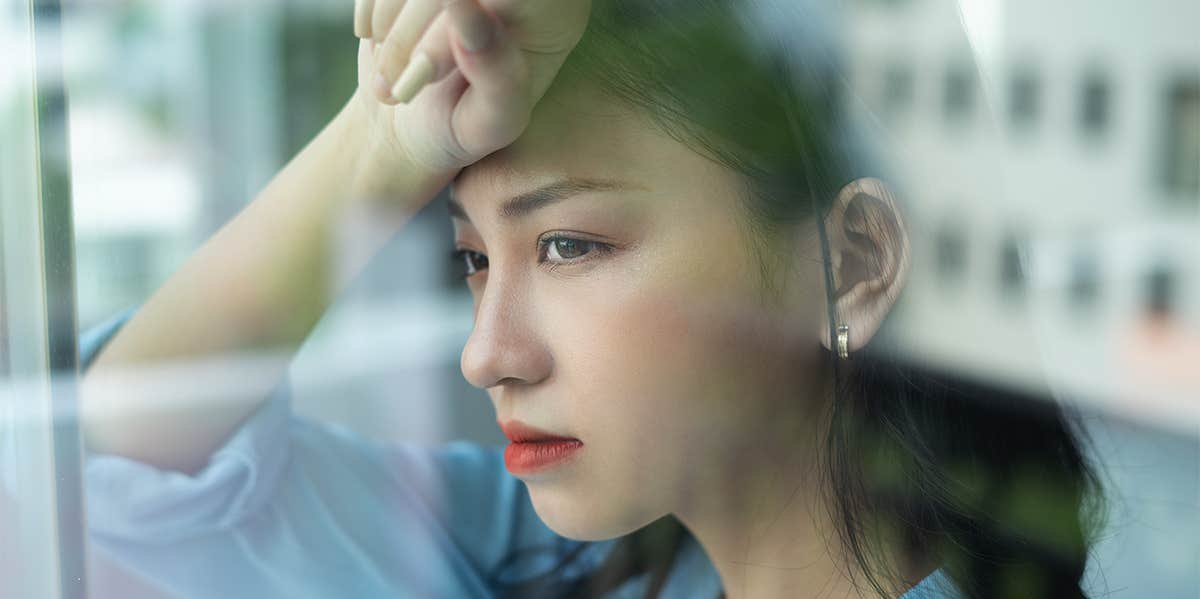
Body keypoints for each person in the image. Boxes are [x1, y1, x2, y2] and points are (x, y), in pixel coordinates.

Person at [77, 0, 1103, 597]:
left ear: (857, 265)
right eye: (476, 258)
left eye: (569, 243)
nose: (489, 353)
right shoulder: (570, 562)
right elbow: (135, 457)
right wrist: (380, 137)